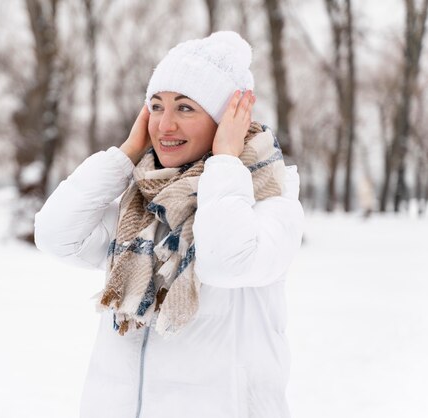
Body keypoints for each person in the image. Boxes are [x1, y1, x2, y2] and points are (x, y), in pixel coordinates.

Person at [34, 31, 304, 418]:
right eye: (156, 107)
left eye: (186, 108)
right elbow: (56, 235)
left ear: (227, 119)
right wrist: (125, 155)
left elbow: (225, 261)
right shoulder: (139, 213)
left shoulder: (270, 206)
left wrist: (225, 160)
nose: (165, 125)